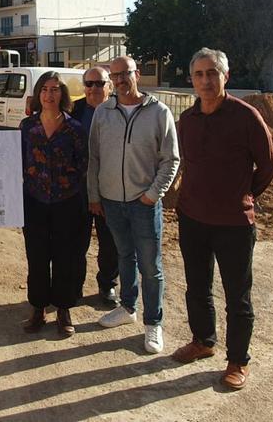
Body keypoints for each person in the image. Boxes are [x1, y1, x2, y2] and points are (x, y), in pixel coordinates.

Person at [171, 48, 273, 390]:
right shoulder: (186, 121)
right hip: (192, 219)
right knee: (197, 287)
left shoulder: (246, 116)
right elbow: (187, 164)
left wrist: (244, 197)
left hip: (234, 224)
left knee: (237, 296)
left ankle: (237, 361)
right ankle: (203, 341)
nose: (205, 80)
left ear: (225, 77)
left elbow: (268, 166)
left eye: (212, 73)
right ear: (191, 80)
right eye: (199, 74)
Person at [90, 56, 180, 354]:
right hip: (112, 201)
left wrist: (153, 194)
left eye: (124, 74)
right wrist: (95, 194)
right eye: (114, 76)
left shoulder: (158, 112)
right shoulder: (103, 112)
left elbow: (171, 159)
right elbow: (94, 158)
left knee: (151, 267)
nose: (118, 81)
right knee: (124, 257)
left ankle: (153, 323)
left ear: (136, 75)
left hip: (144, 203)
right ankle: (128, 308)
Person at [19, 71, 88, 337]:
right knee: (36, 257)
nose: (50, 94)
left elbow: (83, 164)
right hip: (34, 201)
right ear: (38, 94)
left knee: (65, 258)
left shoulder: (75, 128)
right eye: (45, 89)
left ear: (63, 94)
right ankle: (38, 308)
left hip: (66, 202)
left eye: (55, 89)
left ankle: (63, 309)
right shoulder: (27, 126)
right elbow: (18, 162)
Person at [71, 66, 119, 307]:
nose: (93, 89)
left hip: (110, 187)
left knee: (109, 241)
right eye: (89, 84)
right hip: (79, 189)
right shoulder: (75, 109)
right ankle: (74, 286)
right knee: (77, 242)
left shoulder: (120, 110)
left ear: (109, 85)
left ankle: (108, 284)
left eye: (99, 83)